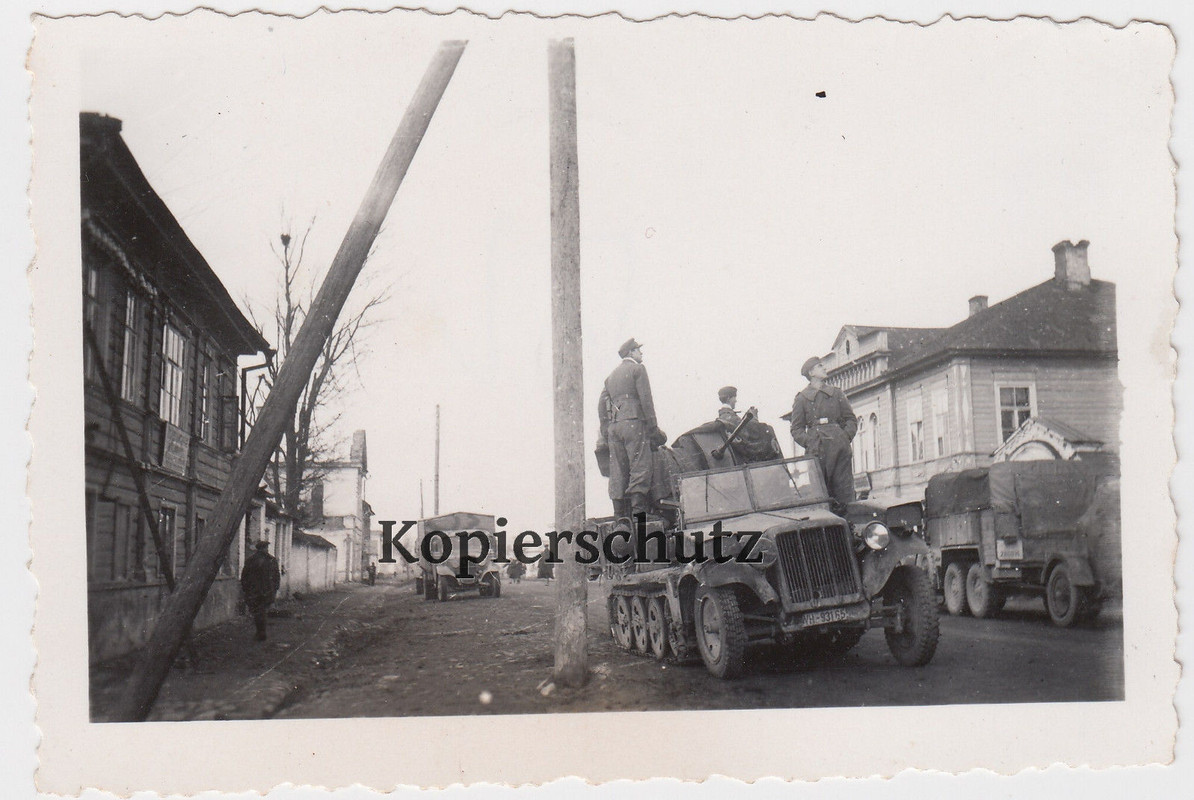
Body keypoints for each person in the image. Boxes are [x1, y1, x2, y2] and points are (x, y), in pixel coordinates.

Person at [598, 338, 662, 520]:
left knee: (617, 469)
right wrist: (653, 427)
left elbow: (601, 404)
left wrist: (606, 427)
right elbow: (646, 399)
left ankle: (619, 515)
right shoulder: (638, 369)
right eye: (639, 350)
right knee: (640, 464)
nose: (641, 353)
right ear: (631, 353)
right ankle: (638, 512)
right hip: (634, 422)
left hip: (615, 426)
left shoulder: (611, 376)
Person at [790, 357, 858, 511]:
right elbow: (796, 429)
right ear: (811, 372)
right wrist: (811, 442)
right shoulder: (802, 398)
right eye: (820, 366)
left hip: (840, 448)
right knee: (821, 495)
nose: (825, 368)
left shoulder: (836, 393)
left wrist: (844, 437)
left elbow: (850, 419)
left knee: (845, 494)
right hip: (817, 451)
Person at [240, 539, 281, 641]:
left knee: (258, 611)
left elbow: (244, 577)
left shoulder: (251, 560)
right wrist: (275, 588)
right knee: (262, 611)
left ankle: (261, 632)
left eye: (266, 548)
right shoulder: (271, 560)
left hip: (255, 591)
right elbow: (277, 576)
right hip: (266, 591)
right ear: (262, 549)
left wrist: (246, 589)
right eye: (265, 548)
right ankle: (261, 632)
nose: (266, 549)